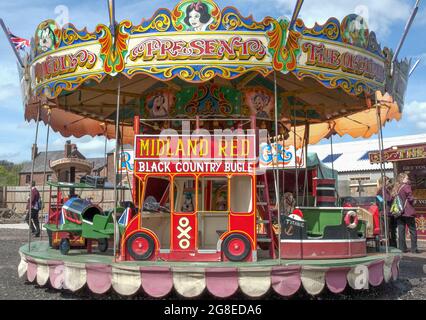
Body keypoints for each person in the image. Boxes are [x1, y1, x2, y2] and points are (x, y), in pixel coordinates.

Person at [393, 173, 419, 253]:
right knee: (413, 230)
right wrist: (414, 200)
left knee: (401, 231)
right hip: (408, 212)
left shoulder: (397, 187)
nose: (408, 179)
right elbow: (410, 198)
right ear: (402, 179)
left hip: (399, 212)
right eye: (406, 178)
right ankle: (414, 249)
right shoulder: (406, 186)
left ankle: (402, 248)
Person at [376, 176, 397, 247]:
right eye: (388, 181)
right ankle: (389, 245)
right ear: (385, 182)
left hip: (384, 212)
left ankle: (388, 244)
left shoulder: (379, 190)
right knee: (387, 230)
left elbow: (380, 201)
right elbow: (387, 199)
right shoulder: (383, 190)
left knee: (386, 230)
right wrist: (393, 195)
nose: (389, 182)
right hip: (386, 212)